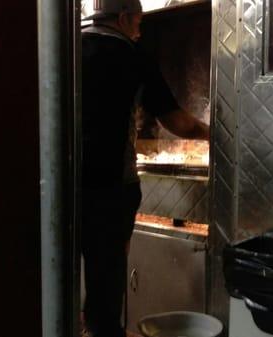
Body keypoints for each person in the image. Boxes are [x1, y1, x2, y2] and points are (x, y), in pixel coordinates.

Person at [80, 0, 209, 335]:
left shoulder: (67, 47)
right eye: (137, 23)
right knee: (105, 288)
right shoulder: (130, 56)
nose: (139, 31)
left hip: (62, 187)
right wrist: (213, 134)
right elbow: (177, 122)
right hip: (110, 189)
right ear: (123, 18)